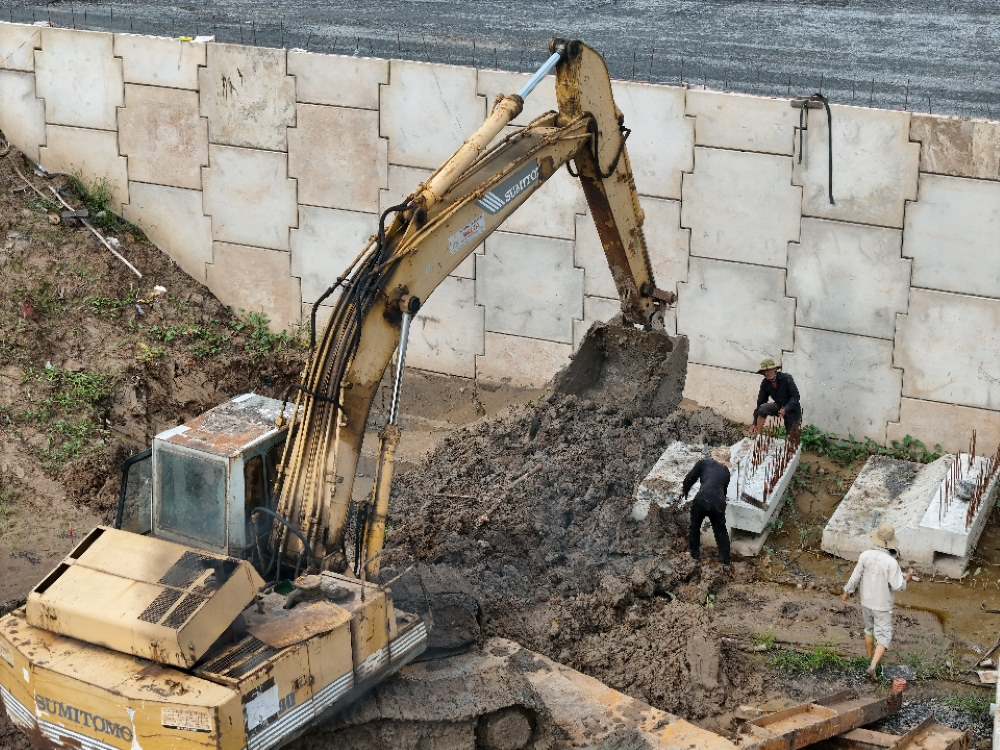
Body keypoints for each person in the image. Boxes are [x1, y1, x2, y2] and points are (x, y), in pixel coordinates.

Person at [841, 524, 913, 678]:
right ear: (891, 545)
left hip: (865, 601)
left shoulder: (865, 555)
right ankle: (873, 667)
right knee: (884, 636)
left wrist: (847, 592)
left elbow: (855, 577)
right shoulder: (891, 563)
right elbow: (898, 586)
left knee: (869, 629)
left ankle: (870, 659)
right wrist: (907, 579)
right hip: (882, 605)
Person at [681, 447, 732, 567]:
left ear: (714, 456)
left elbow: (689, 479)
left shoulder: (703, 463)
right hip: (718, 504)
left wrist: (685, 492)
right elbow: (723, 491)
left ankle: (694, 555)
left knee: (694, 526)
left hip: (702, 500)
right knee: (720, 531)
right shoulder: (726, 473)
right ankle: (725, 561)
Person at [752, 357, 802, 441]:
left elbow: (796, 397)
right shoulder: (765, 383)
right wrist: (754, 423)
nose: (767, 373)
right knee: (762, 408)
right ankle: (758, 437)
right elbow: (760, 402)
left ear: (775, 369)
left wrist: (786, 409)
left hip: (792, 408)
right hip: (778, 405)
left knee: (792, 438)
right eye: (765, 371)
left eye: (769, 370)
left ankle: (792, 443)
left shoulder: (786, 378)